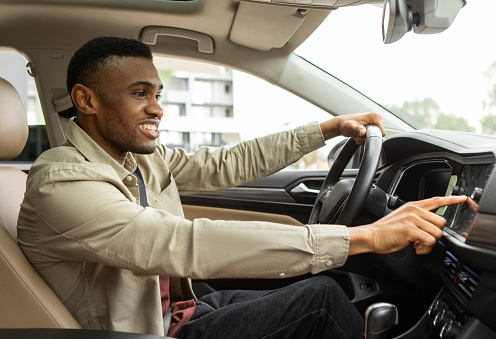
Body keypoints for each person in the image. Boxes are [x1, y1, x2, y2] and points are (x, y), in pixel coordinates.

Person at [17, 37, 466, 338]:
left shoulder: (134, 161)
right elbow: (178, 243)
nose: (156, 107)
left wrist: (325, 129)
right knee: (322, 300)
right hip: (148, 331)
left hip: (178, 309)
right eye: (139, 93)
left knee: (319, 283)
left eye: (157, 93)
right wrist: (365, 236)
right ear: (86, 100)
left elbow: (227, 163)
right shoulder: (62, 183)